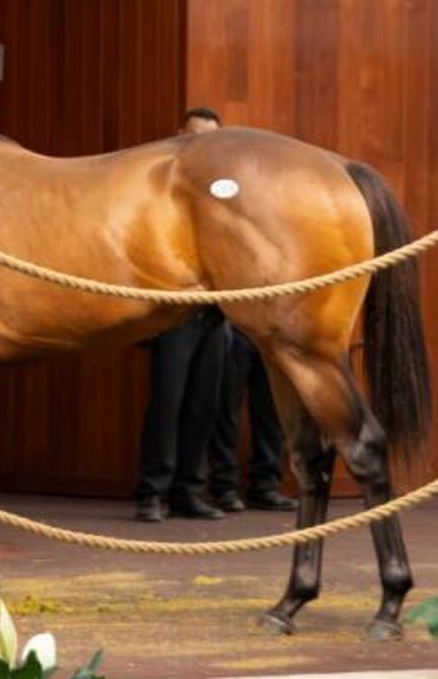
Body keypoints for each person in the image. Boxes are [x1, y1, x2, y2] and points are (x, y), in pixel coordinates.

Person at [133, 107, 227, 523]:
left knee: (204, 404)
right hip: (173, 309)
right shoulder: (159, 186)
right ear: (178, 136)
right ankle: (152, 492)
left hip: (216, 310)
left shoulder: (221, 192)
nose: (201, 146)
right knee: (167, 403)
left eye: (210, 139)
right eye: (194, 136)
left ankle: (188, 490)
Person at [205, 329, 298, 512]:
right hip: (235, 328)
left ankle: (265, 486)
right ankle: (224, 487)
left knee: (271, 412)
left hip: (272, 331)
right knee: (227, 410)